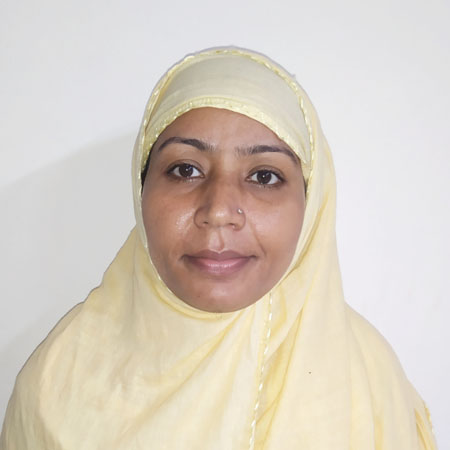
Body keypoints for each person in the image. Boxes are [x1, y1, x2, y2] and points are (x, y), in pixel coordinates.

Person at [0, 47, 436, 449]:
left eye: (264, 176)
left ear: (311, 202)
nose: (219, 211)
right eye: (185, 170)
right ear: (141, 189)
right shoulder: (56, 384)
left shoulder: (369, 383)